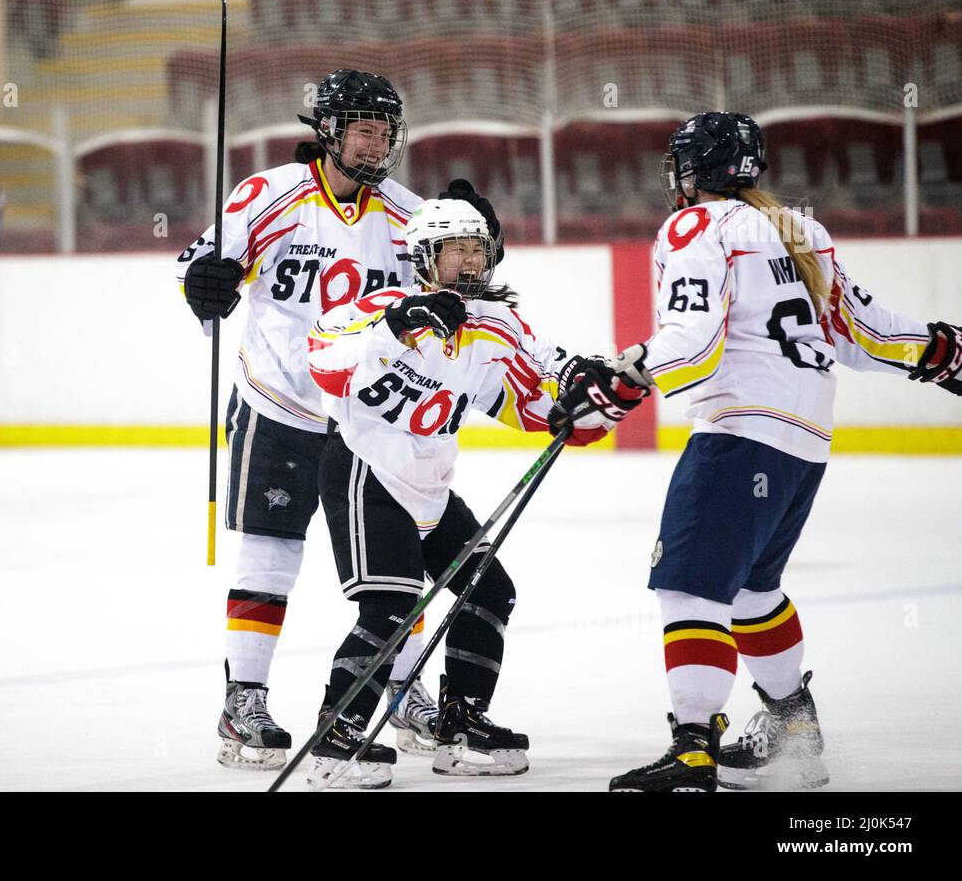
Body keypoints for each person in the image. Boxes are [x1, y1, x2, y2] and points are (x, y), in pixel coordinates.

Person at [551, 111, 961, 792]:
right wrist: (940, 354)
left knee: (688, 584)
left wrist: (625, 378)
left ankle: (691, 751)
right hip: (804, 441)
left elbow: (695, 336)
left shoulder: (696, 226)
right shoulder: (802, 229)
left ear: (690, 172)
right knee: (750, 589)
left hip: (738, 433)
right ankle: (795, 730)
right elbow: (864, 334)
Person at [177, 69, 506, 769]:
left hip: (365, 418)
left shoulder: (404, 212)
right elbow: (198, 267)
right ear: (327, 130)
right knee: (273, 551)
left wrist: (478, 233)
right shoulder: (269, 196)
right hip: (280, 403)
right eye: (362, 129)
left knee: (395, 567)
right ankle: (245, 703)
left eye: (385, 131)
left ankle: (403, 693)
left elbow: (458, 285)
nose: (376, 143)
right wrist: (203, 284)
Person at [303, 198, 612, 788]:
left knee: (488, 590)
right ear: (424, 257)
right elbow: (325, 359)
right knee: (390, 608)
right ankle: (336, 737)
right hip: (366, 470)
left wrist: (589, 393)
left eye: (478, 248)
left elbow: (536, 394)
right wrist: (401, 324)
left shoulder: (496, 326)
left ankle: (461, 724)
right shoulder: (382, 306)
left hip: (429, 487)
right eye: (456, 250)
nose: (471, 261)